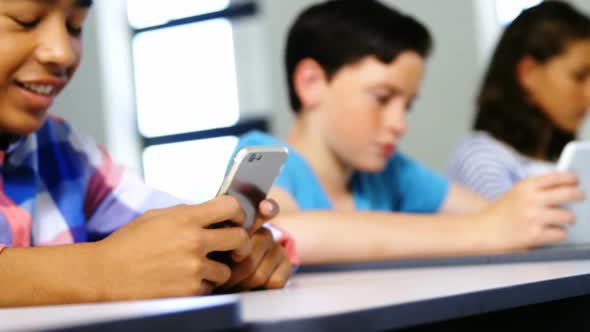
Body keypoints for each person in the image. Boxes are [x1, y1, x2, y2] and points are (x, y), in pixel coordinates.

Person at [233, 0, 584, 265]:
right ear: (311, 83)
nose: (399, 123)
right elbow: (285, 233)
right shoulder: (258, 156)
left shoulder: (392, 173)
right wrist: (481, 232)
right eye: (382, 98)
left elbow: (495, 213)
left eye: (408, 105)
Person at [0, 0, 294, 307]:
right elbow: (114, 267)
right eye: (26, 20)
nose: (63, 52)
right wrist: (100, 271)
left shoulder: (65, 151)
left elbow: (172, 227)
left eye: (75, 25)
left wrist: (234, 254)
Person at [449, 1, 590, 199]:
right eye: (579, 76)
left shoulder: (565, 159)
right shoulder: (482, 159)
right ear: (528, 72)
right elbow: (507, 228)